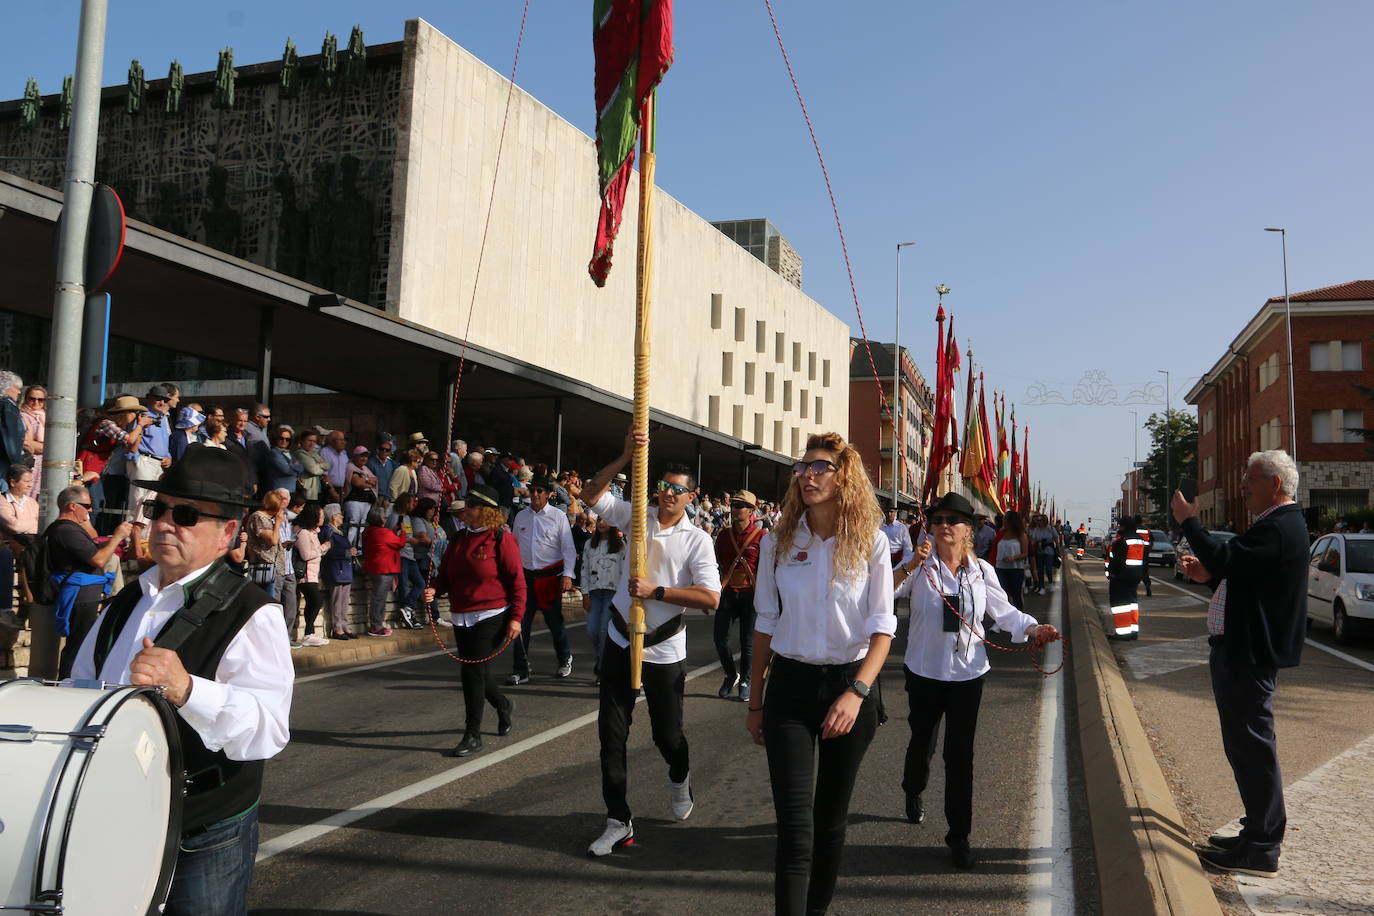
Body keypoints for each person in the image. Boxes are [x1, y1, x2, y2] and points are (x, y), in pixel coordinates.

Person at [69, 445, 293, 915]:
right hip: (113, 815)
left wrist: (189, 690)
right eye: (159, 509)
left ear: (227, 533)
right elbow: (81, 691)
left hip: (202, 831)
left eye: (187, 514)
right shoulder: (128, 599)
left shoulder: (255, 611)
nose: (167, 523)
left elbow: (268, 730)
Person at [745, 432, 894, 914]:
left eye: (820, 467)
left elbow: (883, 627)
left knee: (829, 822)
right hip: (789, 687)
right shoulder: (778, 540)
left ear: (843, 475)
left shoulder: (871, 541)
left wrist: (856, 692)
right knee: (794, 829)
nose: (808, 475)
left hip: (849, 686)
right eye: (802, 467)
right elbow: (766, 621)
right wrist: (755, 701)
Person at [891, 491, 1059, 869]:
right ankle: (913, 789)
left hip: (968, 674)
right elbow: (880, 593)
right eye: (937, 521)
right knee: (923, 741)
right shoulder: (919, 565)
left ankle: (959, 836)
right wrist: (909, 567)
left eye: (952, 520)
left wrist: (1034, 628)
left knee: (960, 754)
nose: (943, 526)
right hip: (924, 670)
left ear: (969, 529)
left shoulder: (982, 570)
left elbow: (1005, 613)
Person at [581, 431, 721, 857]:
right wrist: (625, 456)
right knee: (611, 736)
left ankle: (680, 777)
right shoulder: (636, 516)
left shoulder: (697, 540)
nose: (668, 495)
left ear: (692, 496)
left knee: (668, 737)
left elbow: (710, 598)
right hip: (621, 639)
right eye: (663, 487)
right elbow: (590, 494)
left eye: (678, 490)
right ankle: (617, 821)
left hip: (663, 649)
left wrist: (657, 592)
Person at [1174, 449, 1309, 879]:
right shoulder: (1271, 526)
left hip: (1249, 654)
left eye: (1250, 479)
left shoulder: (1281, 526)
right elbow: (1244, 577)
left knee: (1253, 747)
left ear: (1274, 484)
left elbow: (1230, 558)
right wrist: (1209, 577)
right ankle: (1255, 830)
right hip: (1239, 648)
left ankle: (1263, 846)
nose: (1243, 486)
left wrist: (1189, 521)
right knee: (1243, 745)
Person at [423, 485, 524, 757]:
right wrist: (435, 588)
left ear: (484, 511)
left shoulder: (501, 539)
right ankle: (502, 704)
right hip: (461, 614)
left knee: (472, 672)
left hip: (492, 614)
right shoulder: (458, 539)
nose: (464, 510)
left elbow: (517, 582)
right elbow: (445, 574)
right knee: (477, 671)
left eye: (469, 506)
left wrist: (516, 618)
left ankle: (472, 734)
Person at [38, 486, 130, 677]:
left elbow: (92, 543)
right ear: (72, 506)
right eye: (87, 506)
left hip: (84, 594)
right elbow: (97, 559)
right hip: (81, 596)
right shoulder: (65, 530)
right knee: (78, 646)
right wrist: (118, 536)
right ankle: (66, 684)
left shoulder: (71, 529)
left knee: (81, 645)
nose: (90, 510)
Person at [508, 474, 577, 683]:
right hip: (526, 579)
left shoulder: (558, 516)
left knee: (555, 624)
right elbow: (514, 548)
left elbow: (569, 549)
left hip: (549, 579)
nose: (535, 494)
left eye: (540, 491)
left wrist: (567, 575)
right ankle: (521, 669)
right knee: (520, 624)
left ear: (548, 494)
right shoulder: (521, 517)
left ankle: (564, 657)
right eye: (533, 490)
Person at [713, 488, 763, 702]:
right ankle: (730, 674)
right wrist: (711, 592)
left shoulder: (762, 536)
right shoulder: (724, 535)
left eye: (740, 506)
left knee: (747, 642)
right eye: (733, 505)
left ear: (752, 510)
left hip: (751, 595)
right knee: (719, 638)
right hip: (727, 593)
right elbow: (714, 565)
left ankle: (745, 680)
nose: (735, 509)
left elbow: (767, 570)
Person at [581, 518, 624, 684]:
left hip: (612, 593)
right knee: (592, 630)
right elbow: (584, 569)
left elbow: (623, 571)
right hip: (594, 592)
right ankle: (602, 659)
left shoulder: (620, 545)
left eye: (605, 520)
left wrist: (622, 597)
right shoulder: (589, 544)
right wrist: (584, 594)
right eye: (599, 519)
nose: (601, 523)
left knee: (604, 630)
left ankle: (602, 666)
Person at [292, 504, 331, 647]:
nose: (323, 518)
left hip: (313, 574)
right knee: (316, 601)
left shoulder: (313, 533)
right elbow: (306, 554)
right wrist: (324, 548)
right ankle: (308, 634)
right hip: (306, 575)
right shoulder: (303, 533)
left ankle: (310, 633)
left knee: (313, 602)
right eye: (321, 516)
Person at [361, 508, 404, 636]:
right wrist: (403, 532)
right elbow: (400, 543)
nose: (385, 519)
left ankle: (377, 625)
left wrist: (394, 531)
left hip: (375, 568)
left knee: (378, 598)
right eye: (383, 517)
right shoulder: (382, 532)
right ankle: (376, 626)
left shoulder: (368, 531)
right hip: (384, 569)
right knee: (379, 599)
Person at [1105, 517, 1147, 640]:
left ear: (1124, 527)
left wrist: (1112, 573)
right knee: (1132, 603)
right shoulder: (1140, 540)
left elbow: (1117, 561)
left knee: (1120, 605)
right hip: (1135, 575)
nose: (1118, 527)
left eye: (1120, 525)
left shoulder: (1122, 541)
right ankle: (1133, 631)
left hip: (1122, 577)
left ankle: (1123, 633)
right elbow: (1144, 559)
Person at [321, 504, 356, 639]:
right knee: (337, 600)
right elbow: (329, 550)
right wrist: (347, 552)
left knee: (344, 601)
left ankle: (344, 625)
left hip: (344, 570)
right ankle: (337, 628)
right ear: (334, 516)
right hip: (336, 569)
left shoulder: (339, 531)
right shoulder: (328, 531)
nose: (342, 516)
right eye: (339, 514)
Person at [342, 446, 379, 547]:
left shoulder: (365, 468)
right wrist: (367, 481)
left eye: (366, 456)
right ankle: (348, 548)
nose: (364, 459)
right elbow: (358, 483)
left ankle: (358, 549)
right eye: (361, 456)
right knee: (352, 525)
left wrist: (364, 479)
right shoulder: (350, 466)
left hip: (366, 502)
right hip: (354, 501)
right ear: (355, 456)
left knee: (362, 526)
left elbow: (375, 481)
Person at [993, 510, 1030, 610]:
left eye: (1005, 519)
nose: (1003, 521)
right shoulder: (1001, 532)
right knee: (1002, 594)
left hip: (1015, 569)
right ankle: (1003, 618)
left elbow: (1025, 553)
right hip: (1000, 568)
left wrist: (1013, 558)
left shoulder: (1021, 535)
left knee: (1016, 594)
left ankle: (1020, 617)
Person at [879, 505, 913, 570]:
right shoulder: (880, 526)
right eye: (887, 512)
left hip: (897, 559)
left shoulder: (901, 527)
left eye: (891, 512)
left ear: (895, 513)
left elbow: (907, 545)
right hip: (882, 557)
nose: (889, 514)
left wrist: (906, 561)